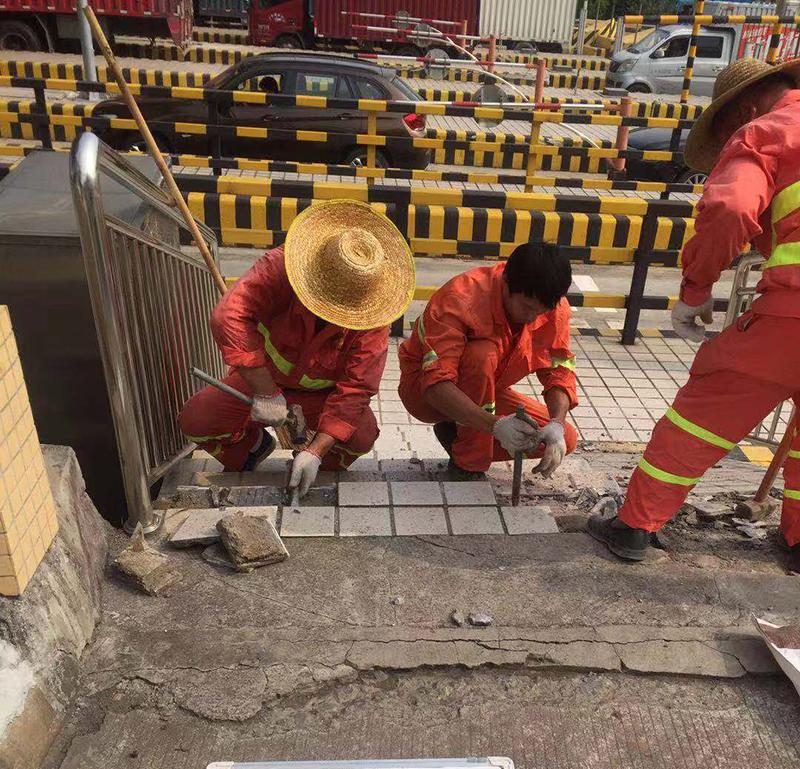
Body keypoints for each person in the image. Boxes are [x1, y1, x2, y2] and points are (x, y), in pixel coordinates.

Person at [588, 57, 800, 569]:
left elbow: (730, 208)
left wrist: (696, 289)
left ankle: (634, 527)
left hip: (791, 316)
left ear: (743, 109)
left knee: (699, 419)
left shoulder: (765, 133)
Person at [179, 200, 415, 497]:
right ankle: (251, 450)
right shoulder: (281, 267)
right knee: (197, 419)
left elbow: (357, 388)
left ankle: (312, 468)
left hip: (322, 397)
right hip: (263, 380)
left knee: (362, 435)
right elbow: (228, 317)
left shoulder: (374, 311)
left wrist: (316, 451)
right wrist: (267, 392)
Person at [397, 241, 579, 479]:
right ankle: (467, 464)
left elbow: (559, 371)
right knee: (482, 355)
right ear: (506, 283)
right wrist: (496, 426)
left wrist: (556, 423)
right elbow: (435, 385)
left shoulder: (553, 306)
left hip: (485, 390)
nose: (532, 318)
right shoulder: (459, 299)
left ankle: (456, 435)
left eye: (540, 312)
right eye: (526, 307)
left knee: (566, 438)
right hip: (425, 393)